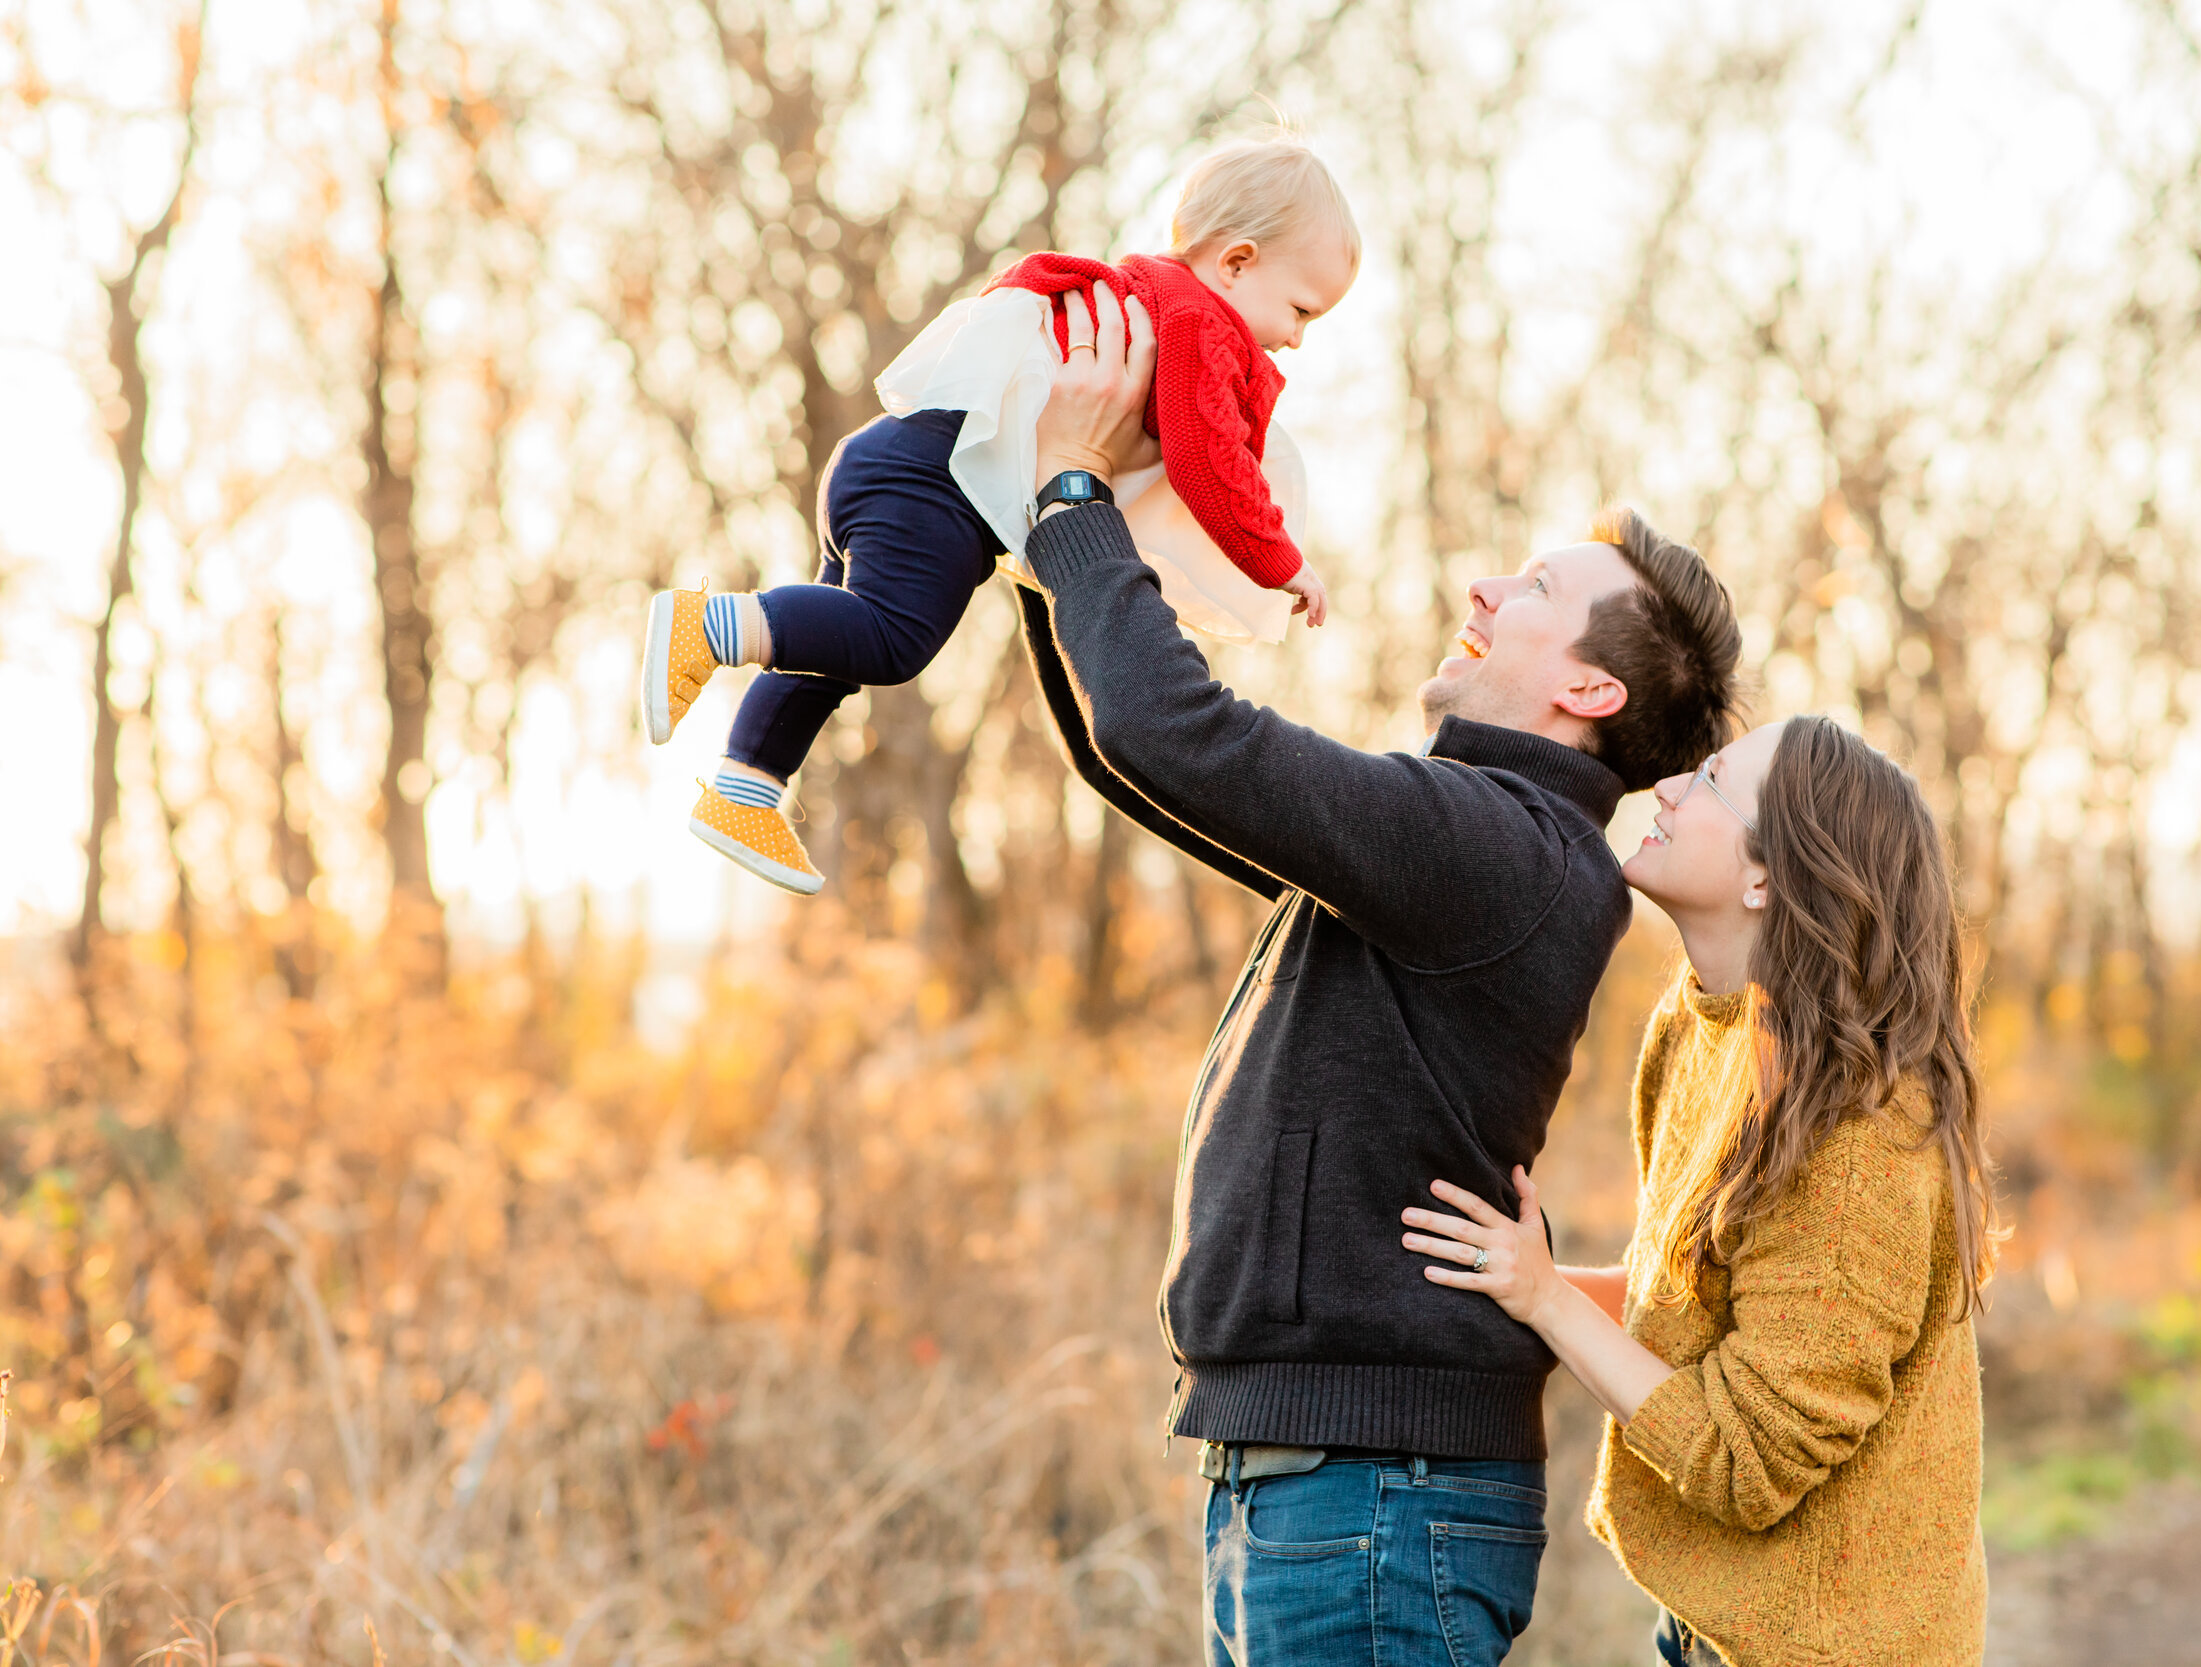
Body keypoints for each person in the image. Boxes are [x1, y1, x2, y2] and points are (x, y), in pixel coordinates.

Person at [1015, 284, 1745, 1666]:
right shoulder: (1463, 839)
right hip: (1326, 1481)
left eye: (1531, 591)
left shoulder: (1496, 848)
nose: (1483, 588)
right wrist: (1043, 550)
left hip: (1373, 1495)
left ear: (1590, 691)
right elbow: (1143, 757)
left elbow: (1178, 732)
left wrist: (1073, 500)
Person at [1400, 715, 2000, 1667]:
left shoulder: (1862, 1135)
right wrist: (1518, 1279)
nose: (1668, 789)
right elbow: (1688, 1312)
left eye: (1711, 781)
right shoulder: (1699, 1027)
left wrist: (1547, 1297)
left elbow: (1745, 1458)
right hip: (1714, 1630)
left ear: (1769, 875)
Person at [636, 137, 1356, 895]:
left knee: (834, 646)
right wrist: (1281, 560)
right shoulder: (1196, 324)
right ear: (1236, 263)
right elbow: (1208, 458)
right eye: (1301, 310)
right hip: (935, 485)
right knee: (891, 639)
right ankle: (709, 626)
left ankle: (745, 789)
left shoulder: (1140, 295)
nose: (1297, 339)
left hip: (890, 458)